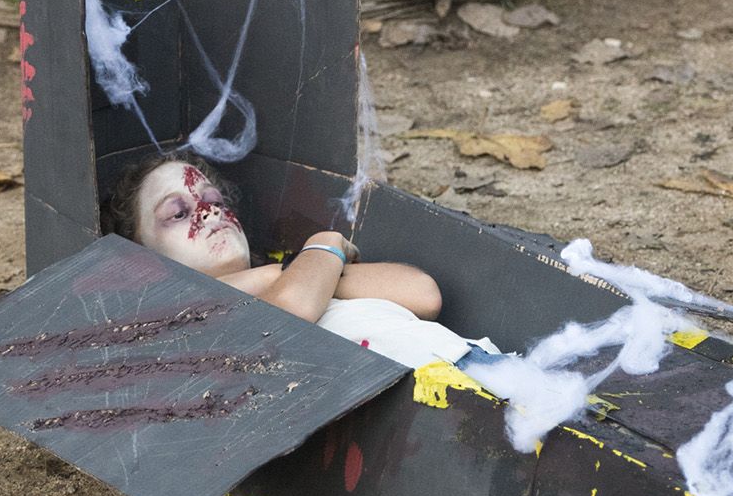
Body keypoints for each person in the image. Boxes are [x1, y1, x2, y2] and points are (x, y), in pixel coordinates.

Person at [104, 148, 481, 371]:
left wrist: (293, 268)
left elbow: (422, 293)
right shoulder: (190, 323)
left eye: (214, 201)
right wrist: (325, 241)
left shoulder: (302, 272)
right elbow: (291, 310)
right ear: (143, 260)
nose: (210, 212)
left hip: (480, 367)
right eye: (178, 213)